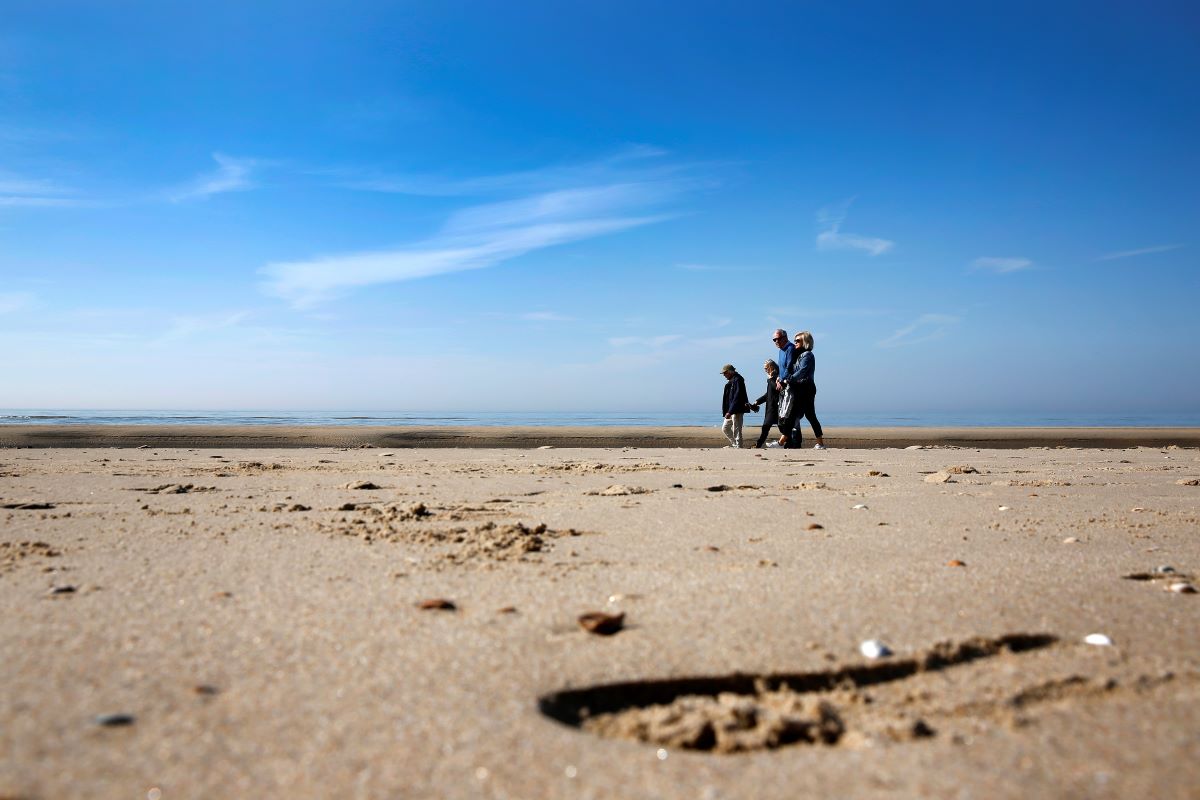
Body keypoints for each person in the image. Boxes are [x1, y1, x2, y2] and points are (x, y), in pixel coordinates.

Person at [791, 330, 826, 449]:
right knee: (800, 415)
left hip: (806, 388)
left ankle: (820, 443)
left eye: (797, 340)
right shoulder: (799, 355)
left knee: (807, 415)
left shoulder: (807, 355)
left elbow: (802, 371)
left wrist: (789, 379)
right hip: (801, 387)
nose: (795, 342)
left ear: (805, 342)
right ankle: (790, 441)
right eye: (794, 340)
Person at [750, 360, 781, 448]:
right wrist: (758, 401)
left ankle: (790, 443)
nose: (765, 370)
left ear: (771, 367)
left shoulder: (776, 376)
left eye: (766, 368)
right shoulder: (771, 378)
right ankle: (758, 444)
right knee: (766, 428)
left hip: (776, 407)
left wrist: (770, 379)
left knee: (776, 427)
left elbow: (776, 388)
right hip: (771, 407)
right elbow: (768, 394)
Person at [719, 364, 749, 449]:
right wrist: (728, 411)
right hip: (731, 410)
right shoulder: (731, 381)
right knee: (725, 428)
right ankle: (735, 445)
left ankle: (739, 447)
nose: (724, 375)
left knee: (737, 430)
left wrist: (730, 411)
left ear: (730, 372)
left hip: (737, 409)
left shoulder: (738, 379)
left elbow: (737, 396)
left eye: (725, 373)